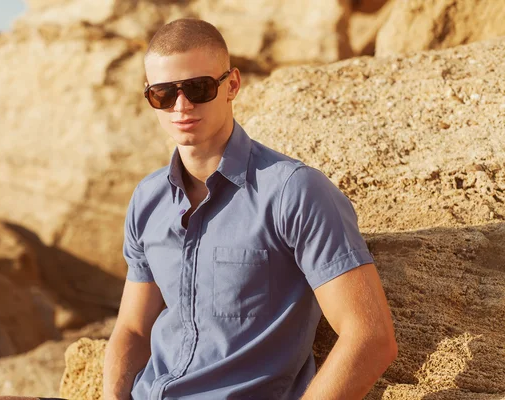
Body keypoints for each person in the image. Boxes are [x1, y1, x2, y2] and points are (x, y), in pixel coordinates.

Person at [102, 18, 397, 400]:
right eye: (163, 94)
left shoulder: (294, 191)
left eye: (198, 88)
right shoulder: (147, 199)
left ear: (232, 85)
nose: (181, 105)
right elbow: (133, 330)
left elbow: (370, 337)